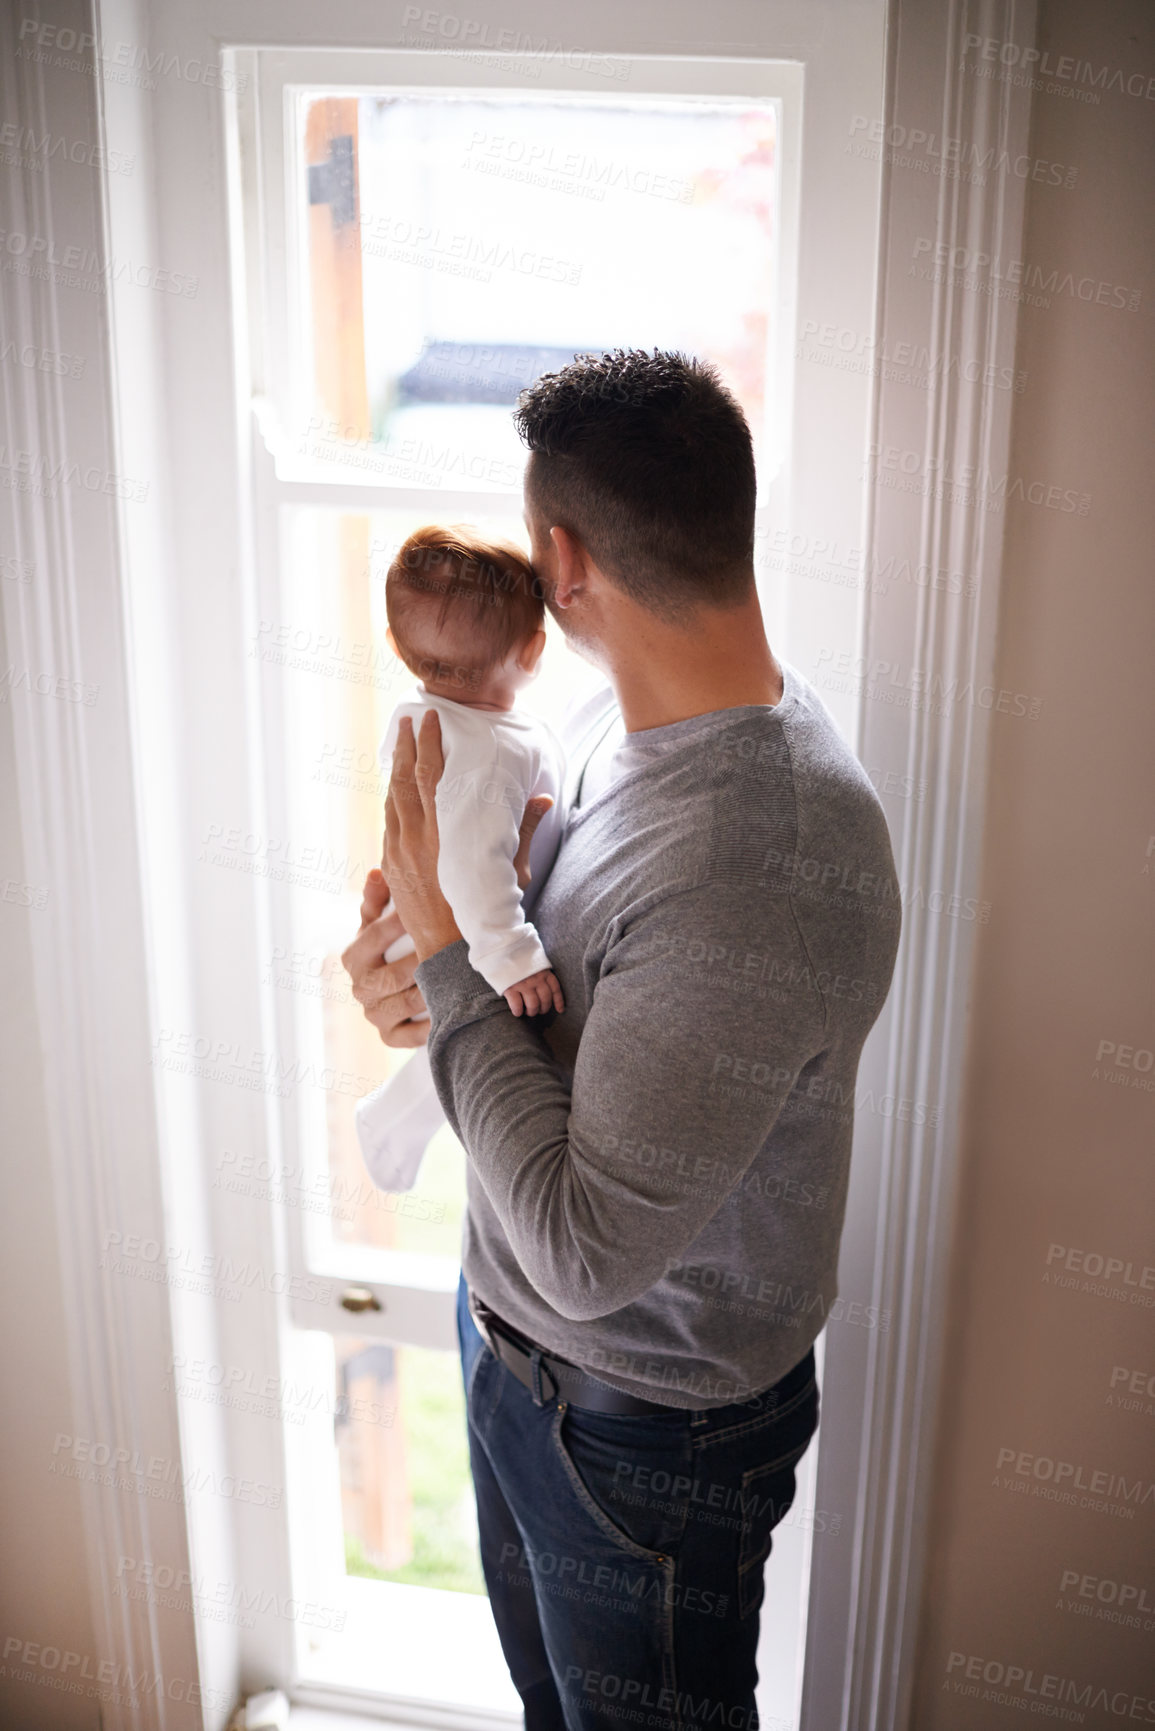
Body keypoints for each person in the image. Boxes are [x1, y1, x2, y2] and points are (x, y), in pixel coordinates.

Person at [342, 349, 902, 1730]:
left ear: (562, 558)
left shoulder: (756, 855)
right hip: (518, 1352)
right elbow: (542, 992)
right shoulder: (617, 722)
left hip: (635, 1435)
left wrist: (445, 958)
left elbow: (590, 1251)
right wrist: (413, 974)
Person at [354, 523, 566, 1198]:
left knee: (451, 1050)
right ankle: (387, 1128)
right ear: (533, 651)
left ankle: (389, 1125)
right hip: (452, 930)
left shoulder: (429, 718)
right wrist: (512, 955)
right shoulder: (493, 749)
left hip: (415, 917)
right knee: (466, 1044)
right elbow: (475, 866)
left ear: (397, 646)